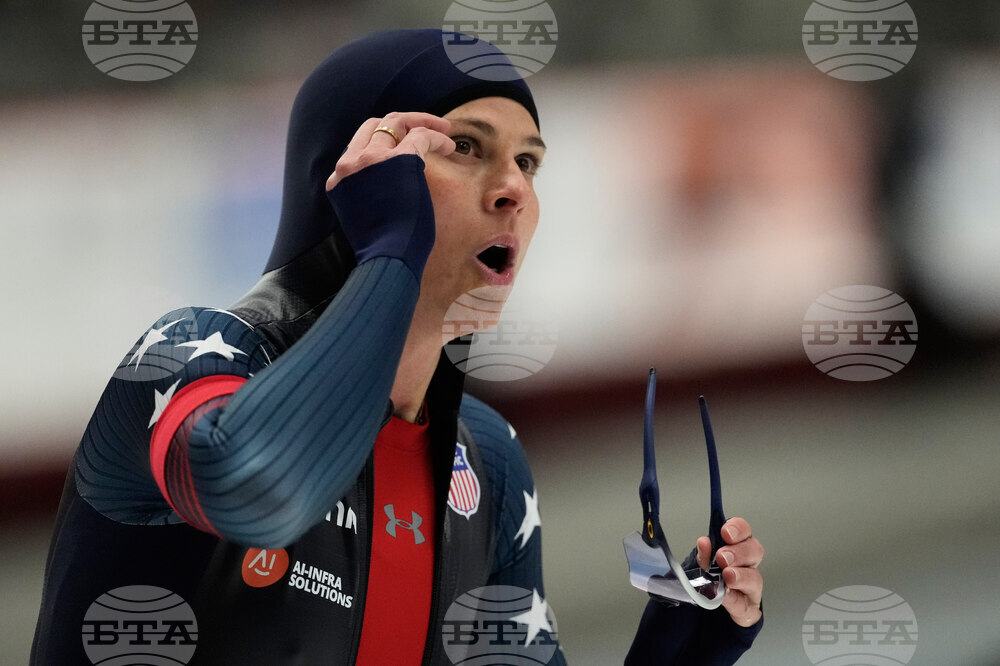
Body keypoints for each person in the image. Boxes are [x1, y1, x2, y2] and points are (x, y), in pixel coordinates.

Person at [31, 28, 763, 664]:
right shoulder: (194, 353)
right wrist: (387, 251)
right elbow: (255, 488)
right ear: (351, 179)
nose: (512, 187)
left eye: (529, 161)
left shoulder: (487, 459)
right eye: (467, 146)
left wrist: (684, 643)